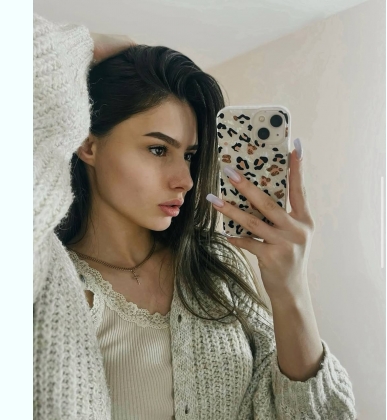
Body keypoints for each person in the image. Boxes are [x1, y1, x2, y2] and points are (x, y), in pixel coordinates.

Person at [33, 12, 357, 420]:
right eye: (158, 149)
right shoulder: (43, 275)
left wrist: (290, 288)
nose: (185, 179)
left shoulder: (213, 267)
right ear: (88, 145)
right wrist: (86, 45)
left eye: (188, 155)